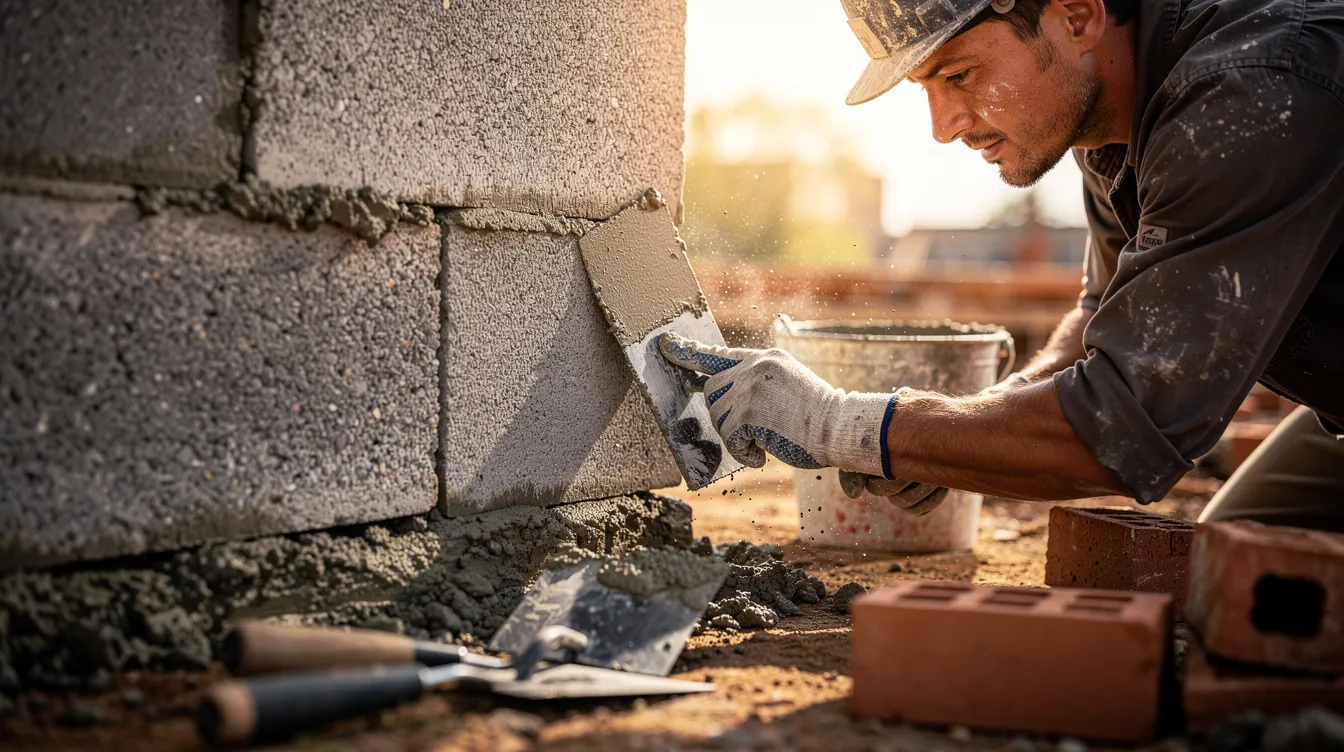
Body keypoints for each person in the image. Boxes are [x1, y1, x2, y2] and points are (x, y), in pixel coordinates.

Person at [660, 0, 1344, 531]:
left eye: (960, 75)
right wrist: (966, 429)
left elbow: (1124, 428)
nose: (943, 125)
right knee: (1231, 566)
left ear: (1076, 15)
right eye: (926, 86)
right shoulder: (1108, 114)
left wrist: (842, 424)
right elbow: (1105, 319)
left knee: (1263, 617)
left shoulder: (1248, 95)